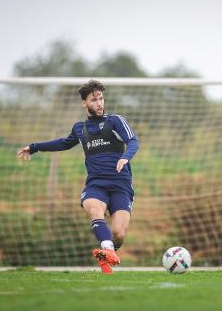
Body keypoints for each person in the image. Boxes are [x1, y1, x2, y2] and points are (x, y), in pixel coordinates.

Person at [17, 80, 139, 274]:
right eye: (94, 100)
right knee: (94, 209)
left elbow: (133, 141)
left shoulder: (115, 121)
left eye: (101, 98)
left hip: (120, 185)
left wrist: (125, 157)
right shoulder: (79, 129)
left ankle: (108, 253)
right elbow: (64, 143)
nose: (99, 103)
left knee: (119, 233)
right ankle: (107, 251)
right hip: (96, 185)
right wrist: (34, 147)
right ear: (85, 103)